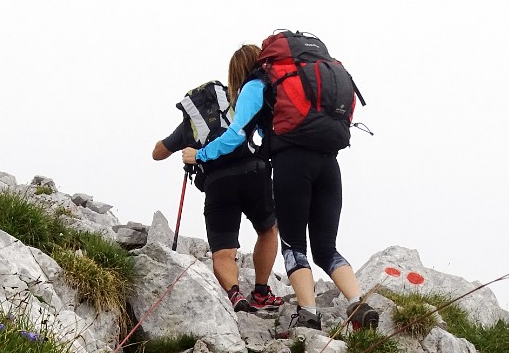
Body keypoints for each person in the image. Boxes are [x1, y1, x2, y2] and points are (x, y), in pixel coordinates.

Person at [185, 42, 363, 332]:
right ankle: (357, 302)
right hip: (329, 164)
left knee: (294, 245)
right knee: (326, 247)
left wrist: (200, 154)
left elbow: (235, 136)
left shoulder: (257, 85)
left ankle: (308, 315)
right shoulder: (298, 83)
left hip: (293, 164)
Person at [153, 84, 281, 313]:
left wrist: (186, 145)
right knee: (268, 230)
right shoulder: (237, 108)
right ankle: (261, 293)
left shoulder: (189, 127)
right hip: (253, 174)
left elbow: (157, 154)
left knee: (222, 251)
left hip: (218, 183)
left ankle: (234, 293)